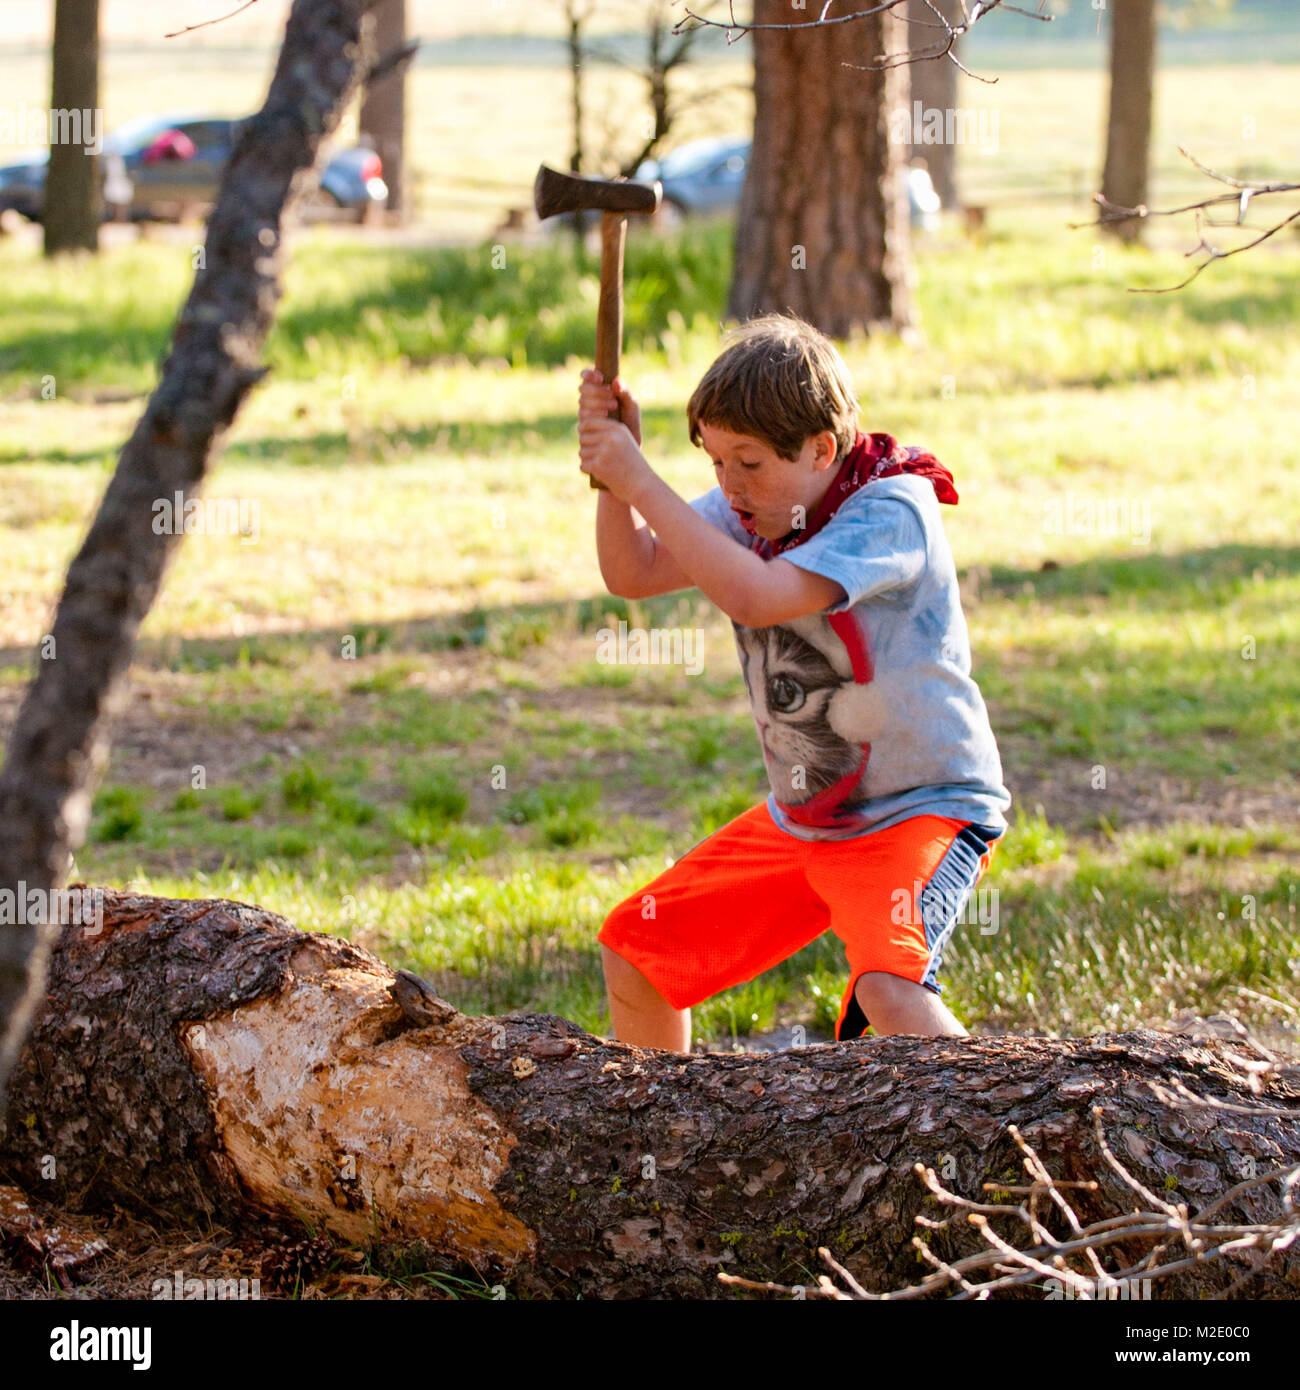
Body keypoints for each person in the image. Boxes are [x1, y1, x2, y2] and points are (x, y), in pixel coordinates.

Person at [577, 313, 1010, 1051]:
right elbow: (633, 572)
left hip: (919, 812)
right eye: (715, 463)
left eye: (748, 463)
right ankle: (658, 1148)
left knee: (887, 989)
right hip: (805, 821)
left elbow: (757, 594)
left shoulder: (889, 510)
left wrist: (638, 478)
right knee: (638, 954)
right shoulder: (757, 508)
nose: (729, 486)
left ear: (821, 449)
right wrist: (616, 482)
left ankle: (1006, 1132)